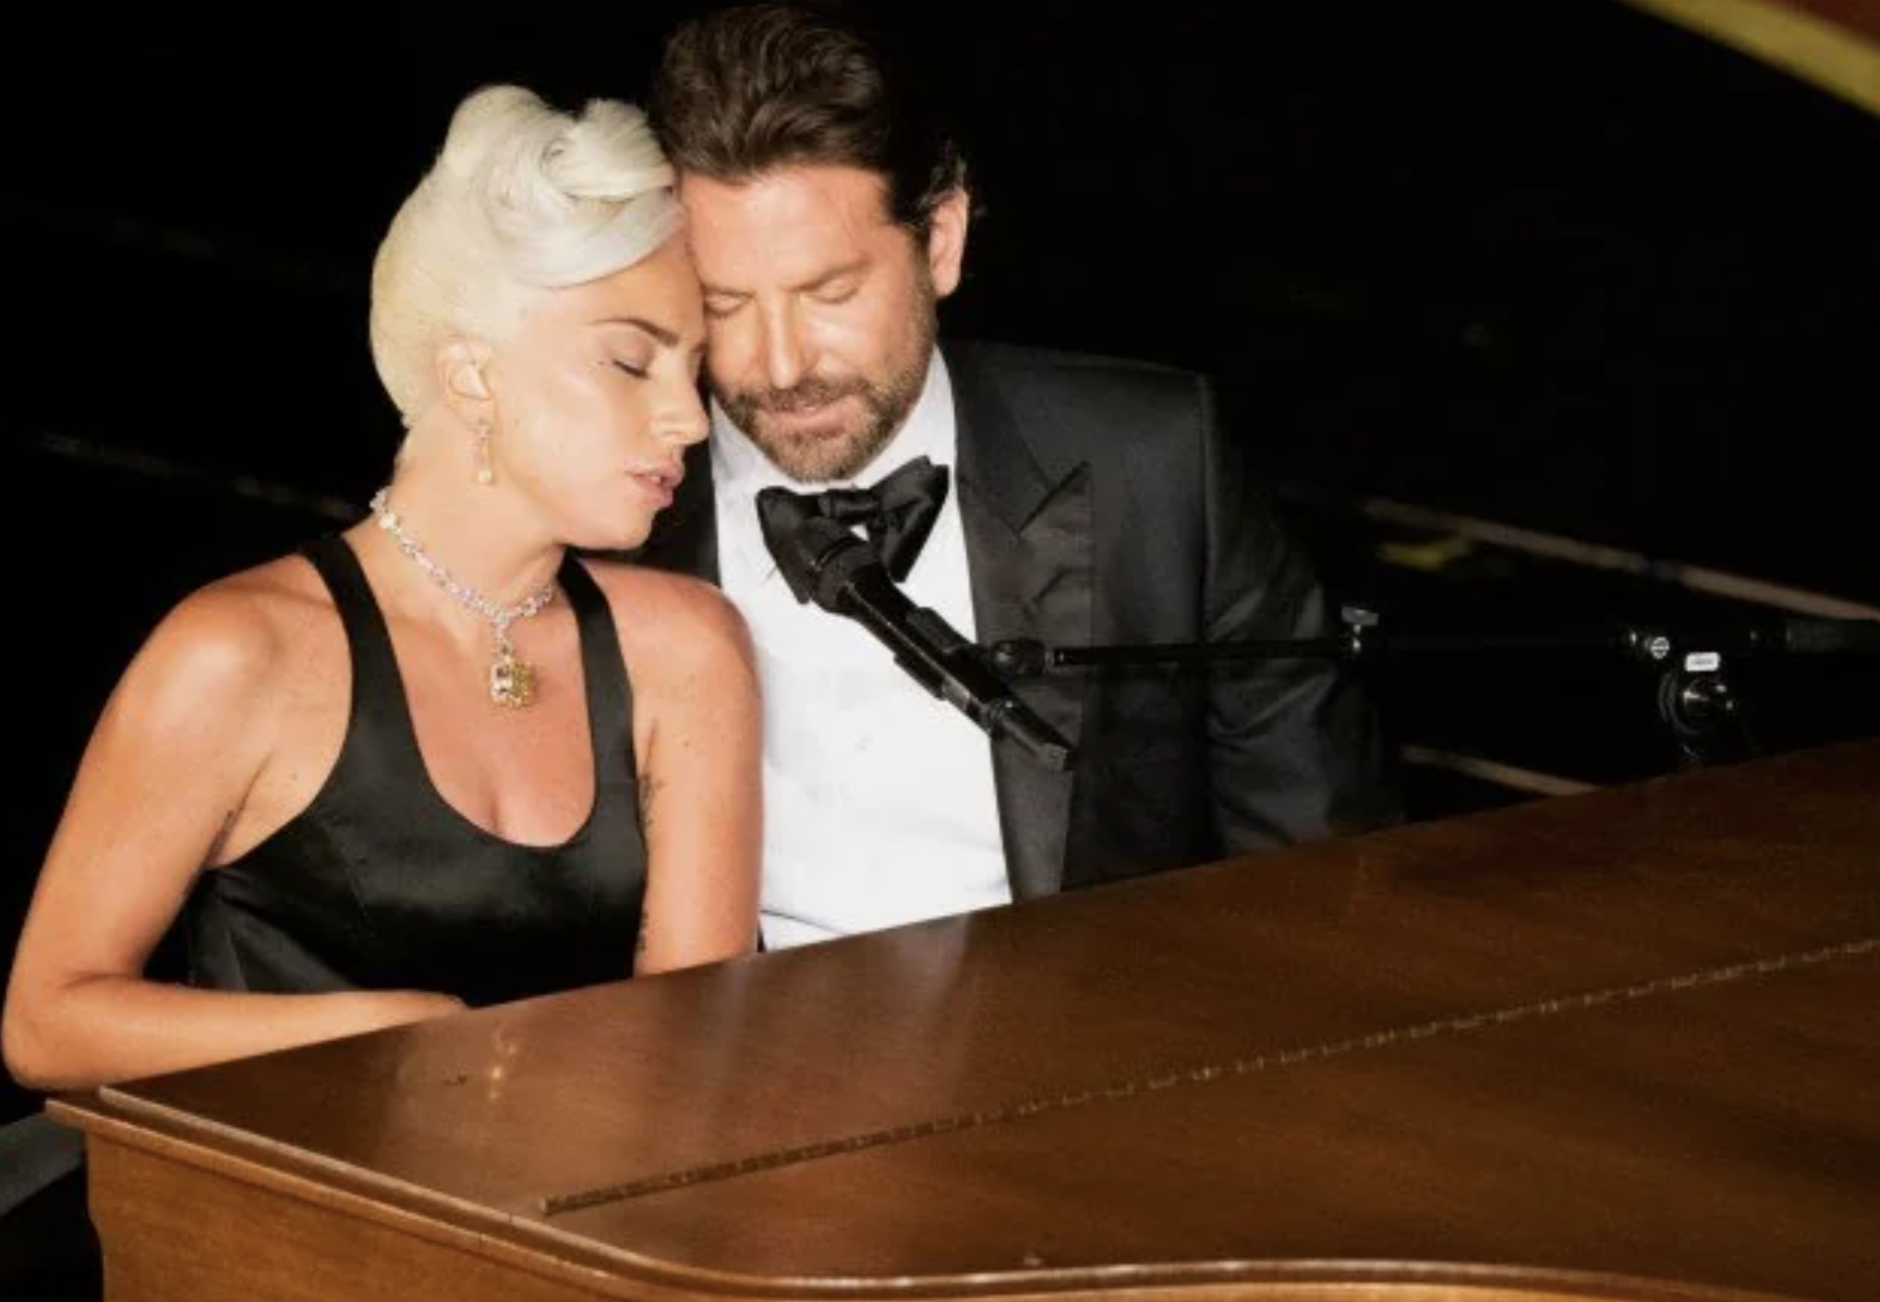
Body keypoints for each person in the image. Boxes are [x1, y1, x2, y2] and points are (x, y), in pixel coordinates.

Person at [1, 83, 761, 1294]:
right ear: (469, 375)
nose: (685, 416)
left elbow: (695, 1047)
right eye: (631, 361)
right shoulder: (241, 653)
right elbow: (47, 1023)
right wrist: (386, 1037)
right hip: (268, 1257)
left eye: (694, 367)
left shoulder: (689, 652)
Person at [619, 2, 1398, 952]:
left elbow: (1316, 869)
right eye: (725, 303)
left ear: (941, 238)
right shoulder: (604, 508)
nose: (780, 366)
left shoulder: (1155, 462)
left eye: (831, 293)